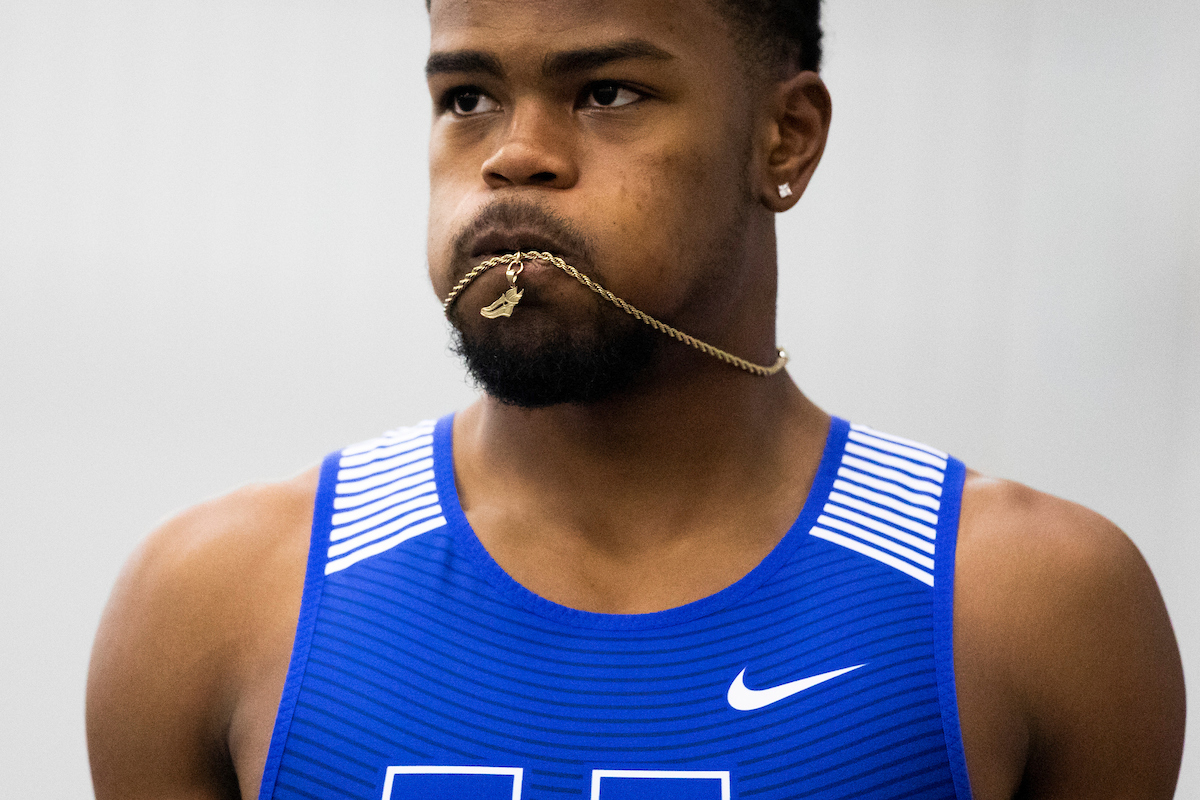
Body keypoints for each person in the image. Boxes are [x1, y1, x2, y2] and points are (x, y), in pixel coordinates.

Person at [86, 1, 1186, 798]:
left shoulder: (1030, 608)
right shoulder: (215, 605)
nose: (515, 156)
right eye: (468, 98)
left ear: (786, 137)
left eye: (607, 92)